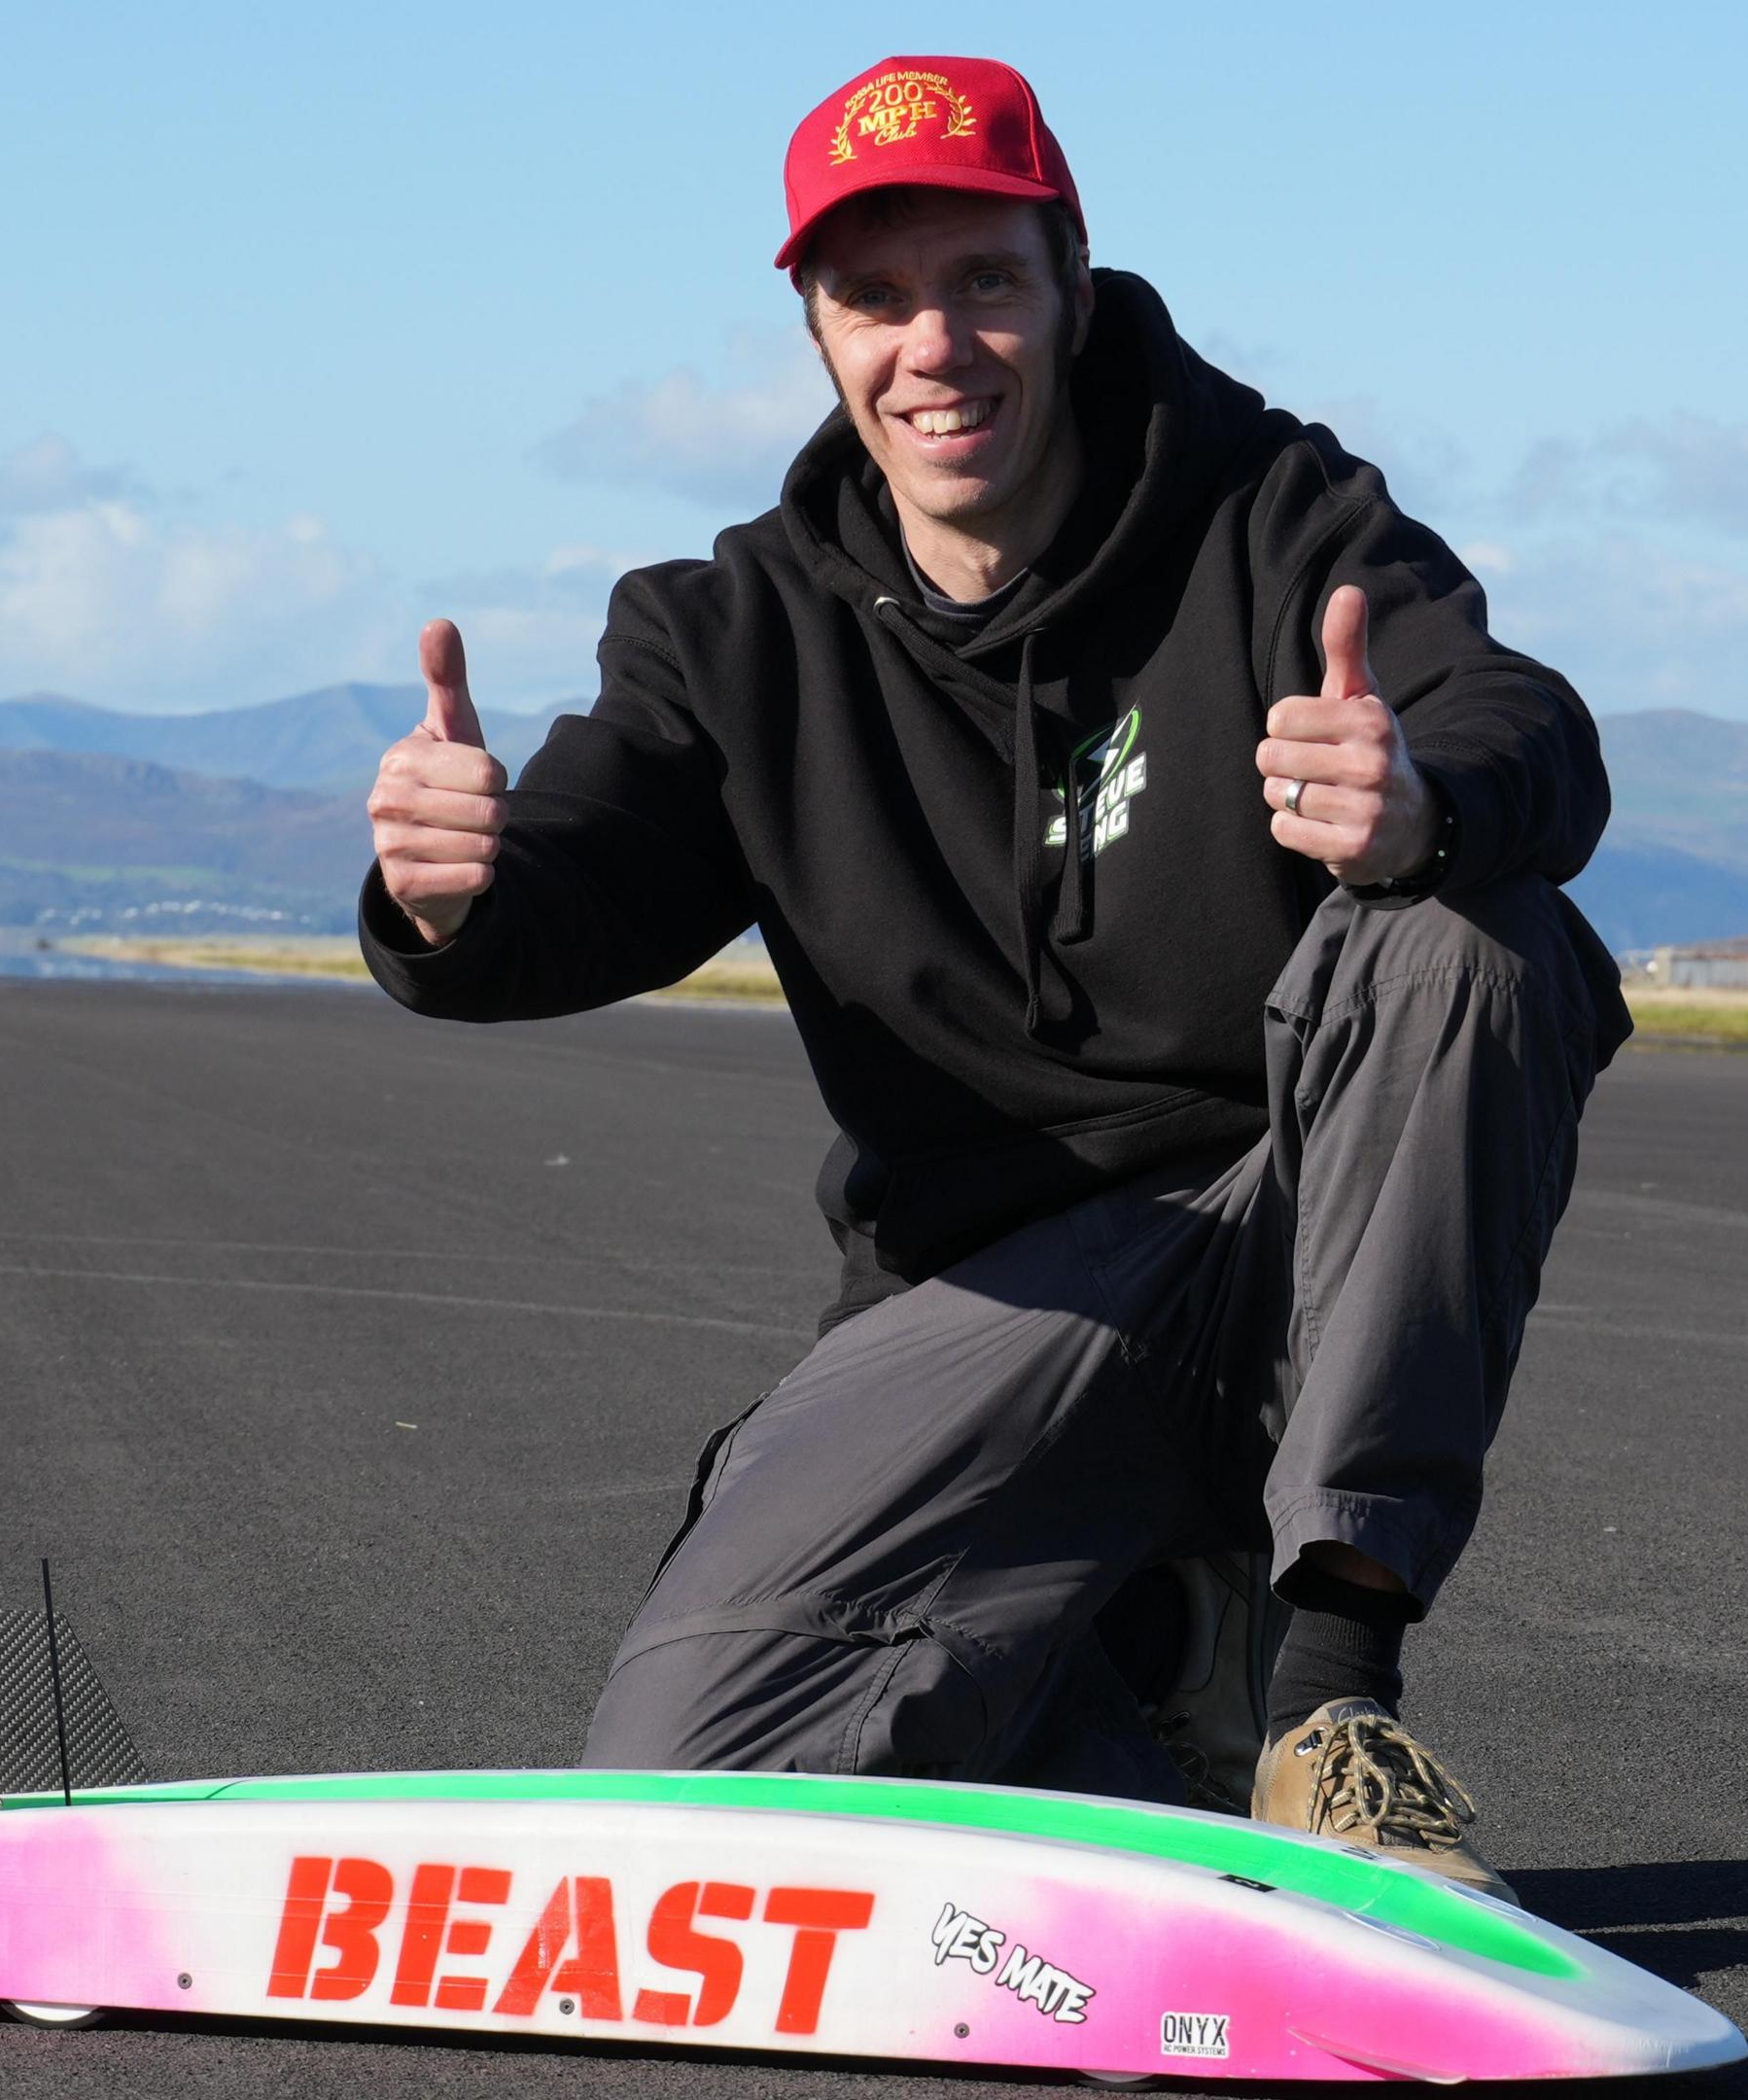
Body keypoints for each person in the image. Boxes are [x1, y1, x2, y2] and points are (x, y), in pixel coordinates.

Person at [360, 53, 1625, 1900]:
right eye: (874, 298)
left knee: (1472, 936)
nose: (932, 344)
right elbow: (579, 888)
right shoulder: (729, 633)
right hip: (998, 1297)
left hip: (1305, 1222)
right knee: (689, 1797)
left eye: (982, 281)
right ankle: (1137, 1673)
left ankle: (1329, 1701)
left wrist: (1422, 796)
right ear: (812, 327)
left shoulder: (1277, 513)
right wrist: (451, 899)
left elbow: (1530, 733)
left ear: (1074, 278)